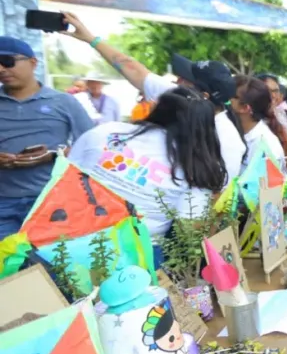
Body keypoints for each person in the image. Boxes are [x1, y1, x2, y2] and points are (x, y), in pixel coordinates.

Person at [59, 12, 245, 189]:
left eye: (184, 79)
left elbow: (217, 197)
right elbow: (133, 68)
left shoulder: (228, 141)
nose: (176, 80)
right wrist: (91, 39)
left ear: (203, 95)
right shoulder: (179, 96)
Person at [68, 87, 227, 267]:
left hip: (65, 243)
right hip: (135, 261)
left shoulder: (106, 131)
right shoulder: (195, 168)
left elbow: (62, 179)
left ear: (158, 108)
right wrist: (216, 212)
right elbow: (189, 234)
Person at [0, 36, 94, 240]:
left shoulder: (64, 102)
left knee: (48, 266)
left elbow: (92, 146)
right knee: (5, 268)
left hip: (50, 201)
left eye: (8, 61)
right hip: (2, 204)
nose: (1, 69)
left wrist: (55, 154)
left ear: (33, 62)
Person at [230, 75, 287, 167]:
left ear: (244, 108)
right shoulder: (240, 134)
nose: (224, 102)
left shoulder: (264, 146)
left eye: (229, 98)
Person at [256, 72, 287, 151]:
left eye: (276, 91)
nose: (273, 96)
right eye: (268, 91)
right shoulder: (248, 120)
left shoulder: (281, 113)